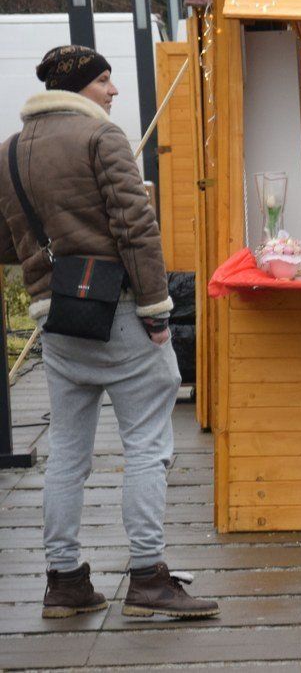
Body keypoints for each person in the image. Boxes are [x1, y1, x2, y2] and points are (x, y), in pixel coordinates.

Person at [0, 45, 219, 620]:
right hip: (121, 312)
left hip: (58, 320)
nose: (114, 91)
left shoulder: (10, 150)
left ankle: (64, 581)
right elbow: (136, 227)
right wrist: (156, 309)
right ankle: (148, 577)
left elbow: (7, 242)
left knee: (68, 455)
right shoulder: (103, 139)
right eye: (103, 81)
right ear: (77, 88)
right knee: (148, 446)